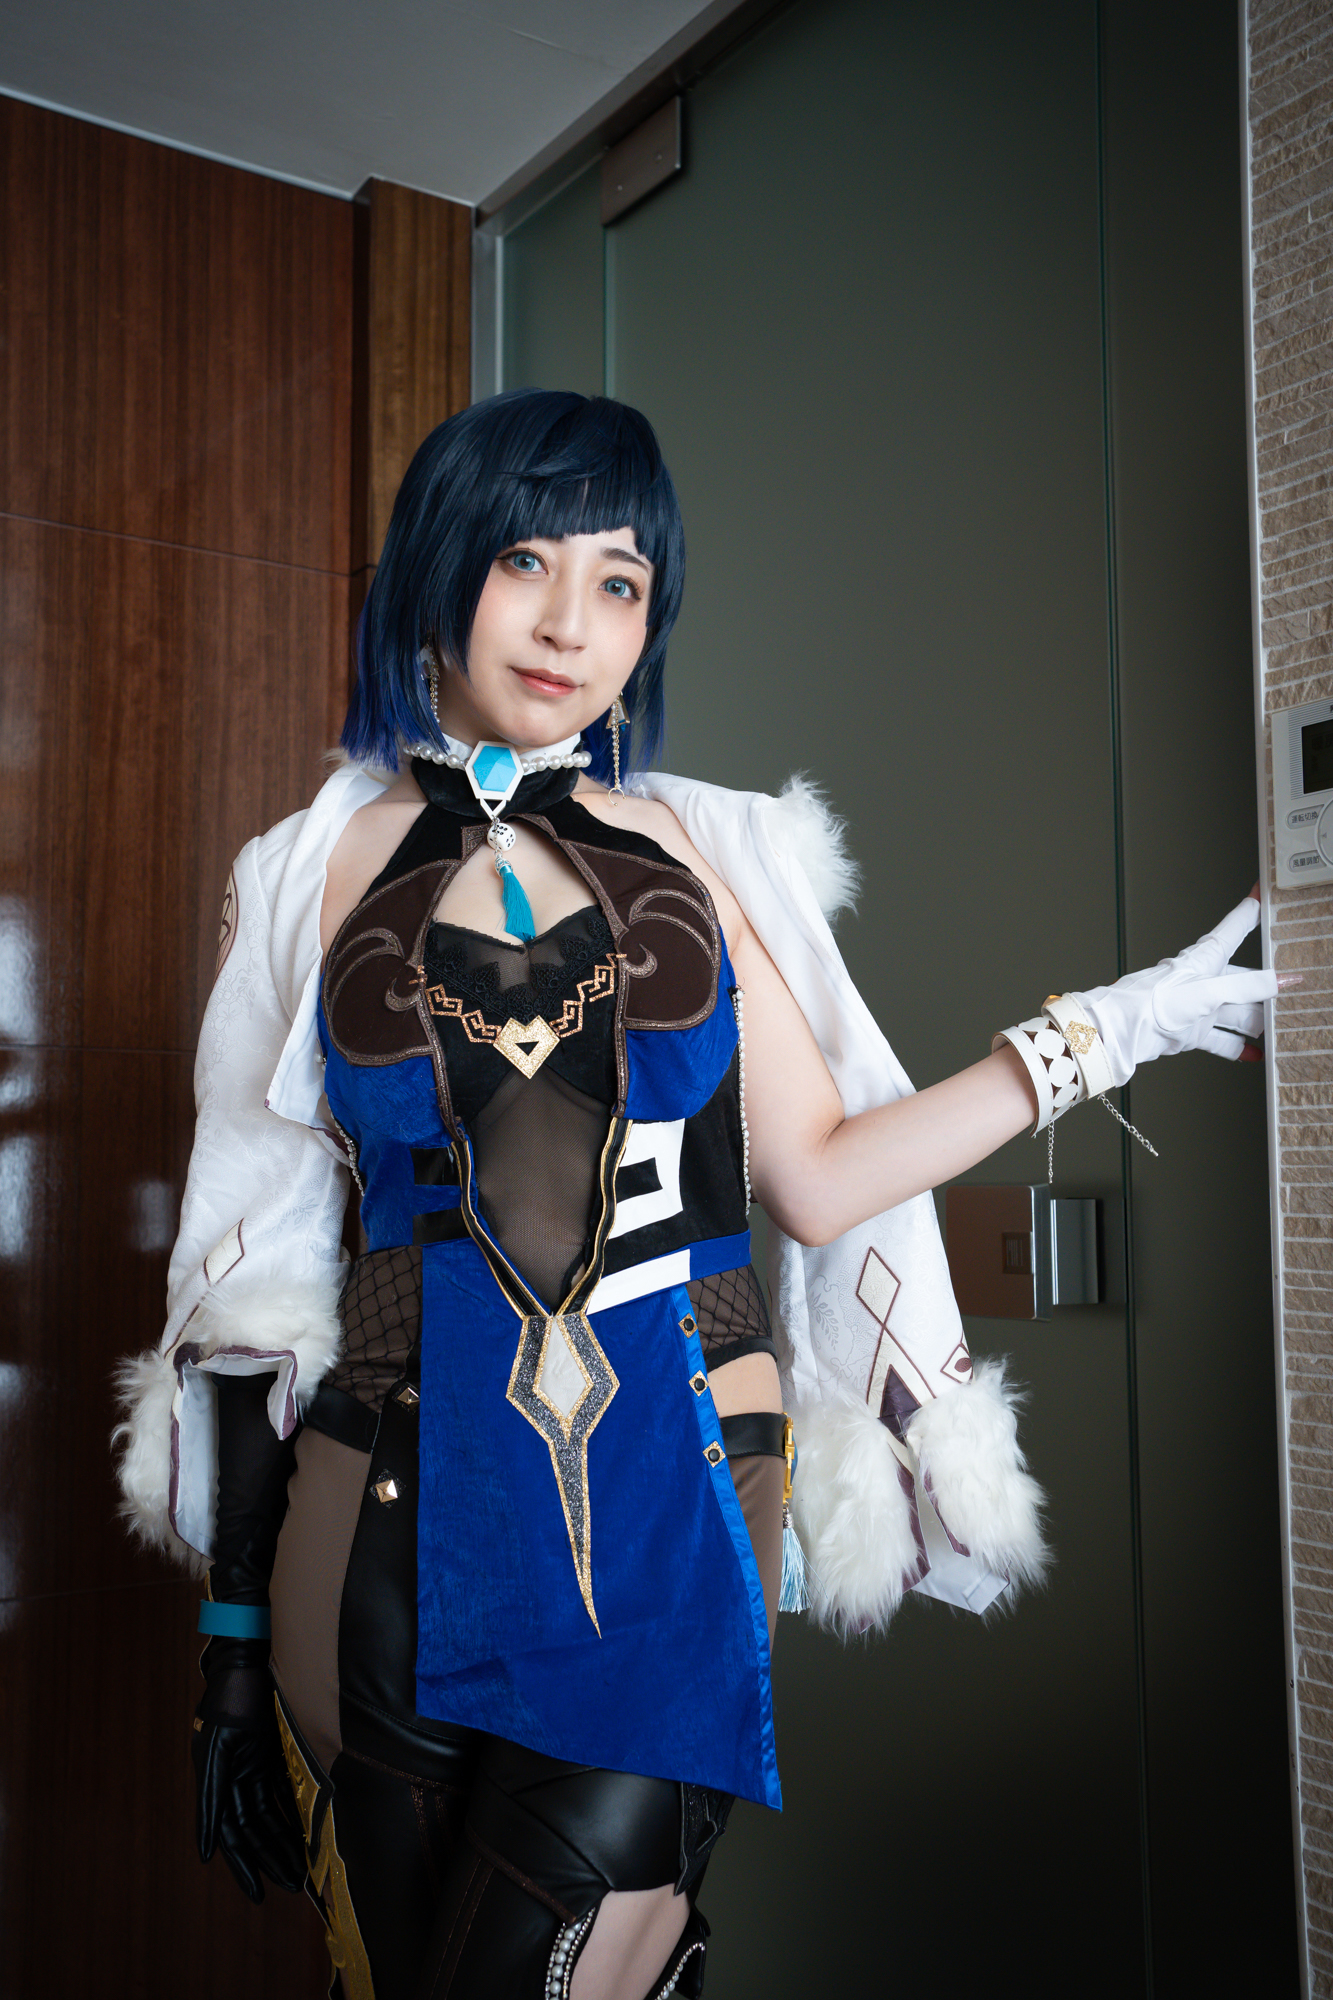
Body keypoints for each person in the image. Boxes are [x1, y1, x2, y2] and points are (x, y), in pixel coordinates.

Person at [114, 389, 1278, 2000]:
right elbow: (253, 1277)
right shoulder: (308, 866)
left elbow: (818, 1175)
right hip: (372, 1524)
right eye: (524, 561)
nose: (567, 623)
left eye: (619, 581)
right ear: (438, 567)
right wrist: (232, 1655)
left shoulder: (693, 852)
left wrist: (1104, 1033)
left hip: (667, 1500)